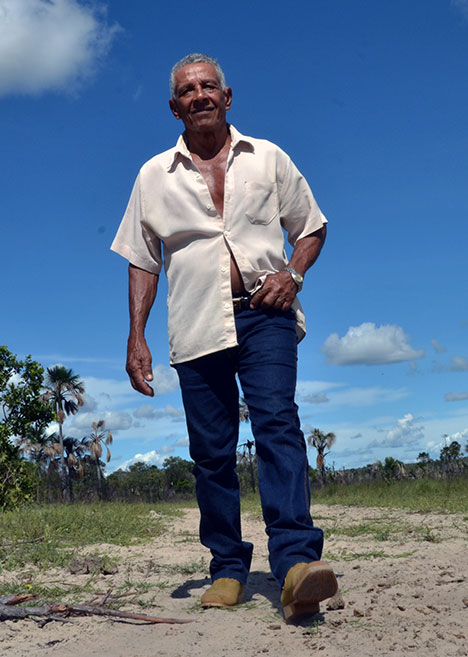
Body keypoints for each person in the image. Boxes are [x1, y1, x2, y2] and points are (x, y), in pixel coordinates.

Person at [111, 53, 338, 621]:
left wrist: (293, 274)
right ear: (174, 107)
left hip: (266, 312)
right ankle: (229, 568)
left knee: (277, 425)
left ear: (228, 96)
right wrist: (135, 337)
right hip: (195, 321)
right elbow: (143, 260)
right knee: (210, 452)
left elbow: (310, 226)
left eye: (208, 86)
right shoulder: (152, 176)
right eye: (187, 91)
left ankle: (295, 563)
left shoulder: (268, 158)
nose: (199, 96)